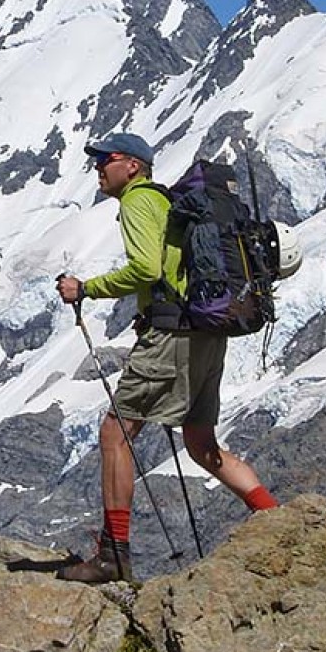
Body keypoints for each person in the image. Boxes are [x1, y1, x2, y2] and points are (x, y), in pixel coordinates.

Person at [54, 132, 279, 583]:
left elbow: (146, 269)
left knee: (116, 433)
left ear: (133, 166)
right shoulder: (166, 204)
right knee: (201, 445)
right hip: (208, 334)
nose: (97, 167)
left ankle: (113, 554)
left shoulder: (138, 202)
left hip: (173, 333)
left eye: (105, 159)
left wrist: (86, 289)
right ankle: (279, 523)